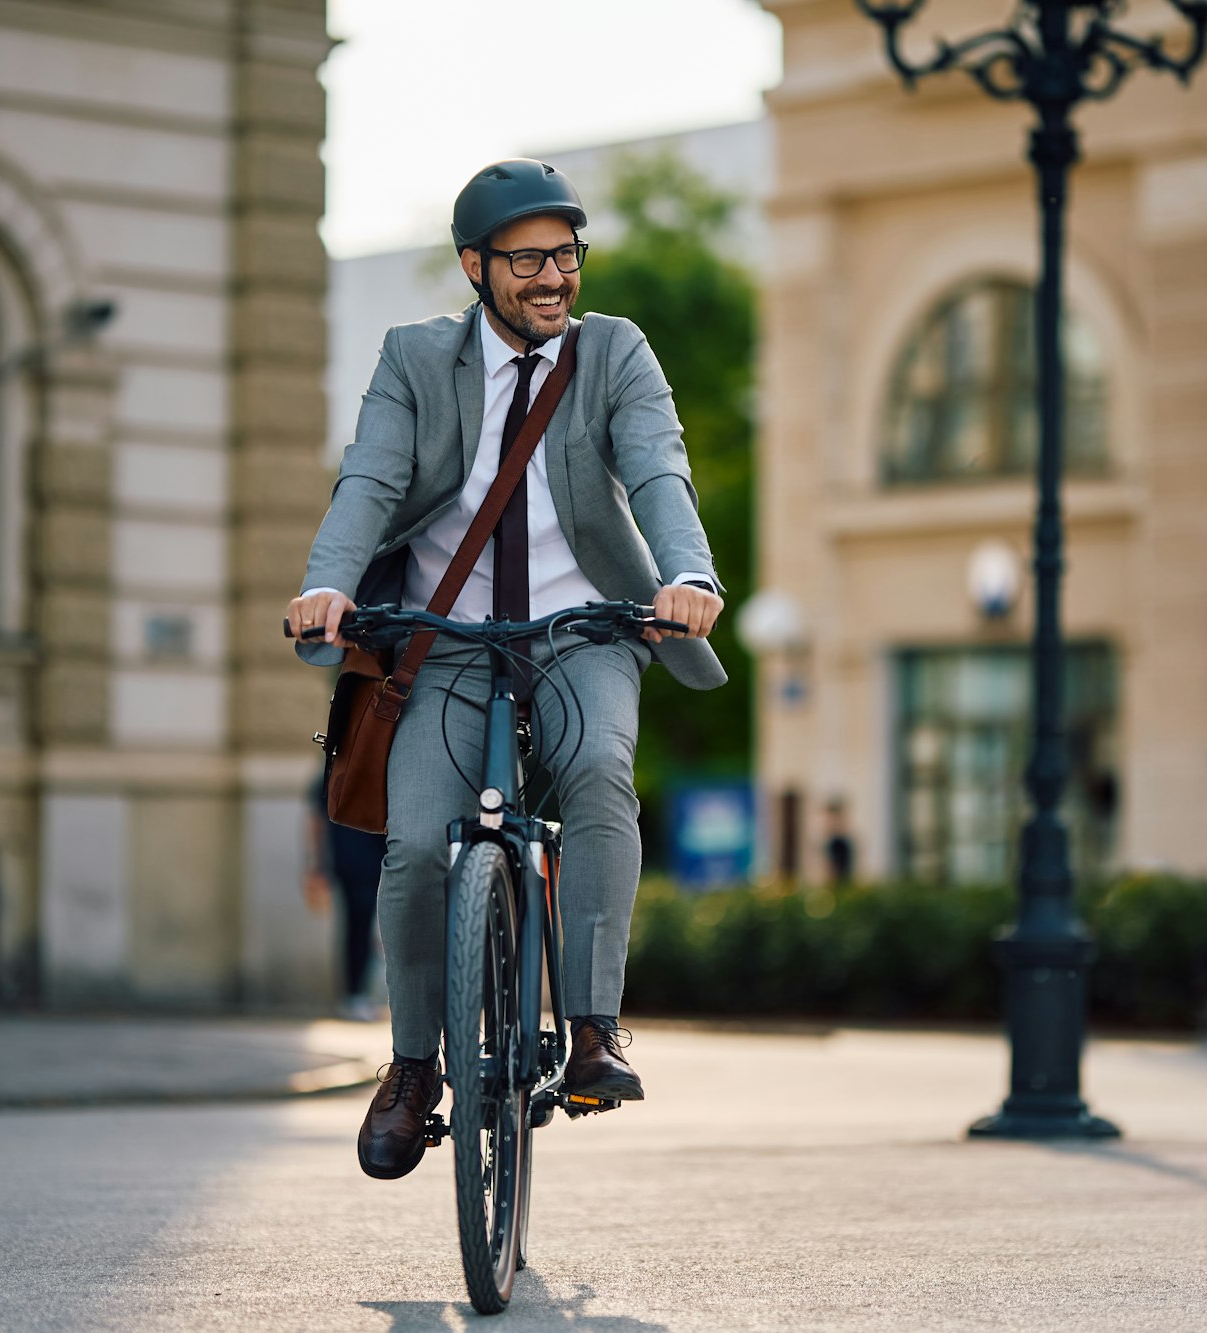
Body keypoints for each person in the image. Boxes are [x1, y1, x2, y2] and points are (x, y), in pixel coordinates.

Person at [285, 159, 726, 1181]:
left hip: (585, 629)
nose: (551, 277)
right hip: (447, 638)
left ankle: (591, 1029)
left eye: (564, 255)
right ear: (474, 267)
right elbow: (370, 479)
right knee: (411, 850)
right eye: (526, 258)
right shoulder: (413, 359)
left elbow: (658, 466)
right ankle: (408, 1067)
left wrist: (686, 573)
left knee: (598, 779)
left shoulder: (614, 353)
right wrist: (326, 585)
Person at [302, 771, 385, 1022]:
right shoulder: (331, 772)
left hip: (372, 859)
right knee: (357, 927)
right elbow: (316, 820)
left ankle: (357, 993)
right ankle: (354, 994)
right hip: (354, 861)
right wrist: (316, 866)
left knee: (364, 929)